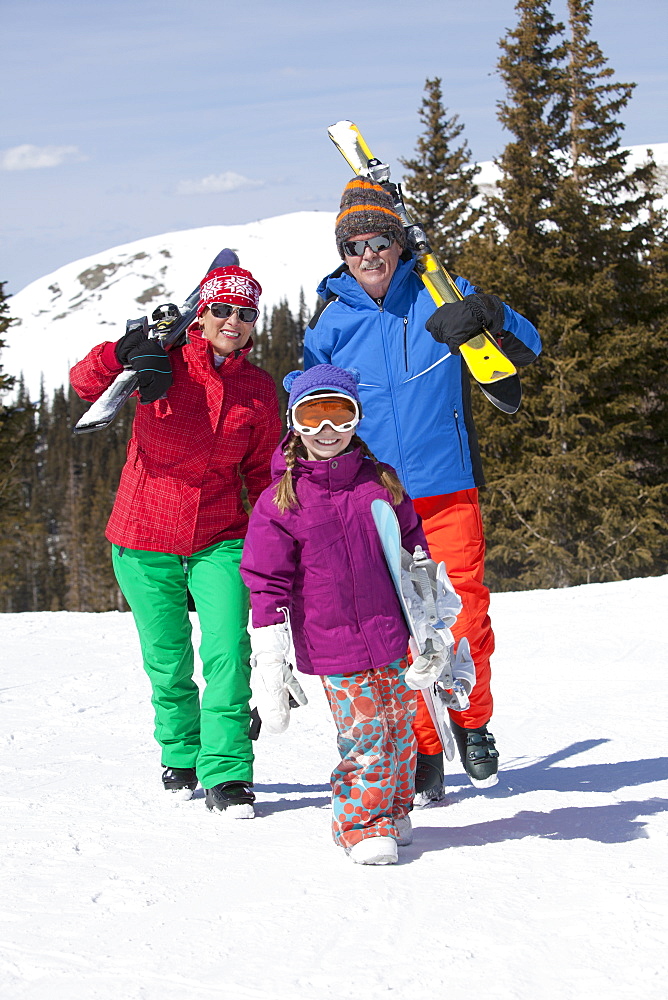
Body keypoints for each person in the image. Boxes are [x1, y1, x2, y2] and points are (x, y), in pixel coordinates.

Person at [303, 177, 542, 799]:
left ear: (398, 242)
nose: (368, 255)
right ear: (343, 255)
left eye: (379, 240)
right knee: (400, 627)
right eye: (354, 246)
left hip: (445, 485)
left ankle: (472, 721)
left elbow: (529, 346)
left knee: (464, 614)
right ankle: (424, 745)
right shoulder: (330, 323)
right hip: (375, 498)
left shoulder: (442, 293)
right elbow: (314, 412)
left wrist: (486, 313)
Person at [70, 263, 281, 817]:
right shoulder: (160, 361)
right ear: (202, 314)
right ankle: (181, 751)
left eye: (245, 313)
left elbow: (262, 474)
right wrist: (123, 350)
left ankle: (228, 771)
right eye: (222, 310)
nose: (232, 321)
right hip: (144, 535)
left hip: (220, 536)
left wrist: (274, 539)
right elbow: (83, 383)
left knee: (228, 656)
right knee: (167, 661)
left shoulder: (257, 390)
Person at [239, 365, 448, 864]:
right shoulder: (280, 500)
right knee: (365, 737)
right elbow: (265, 580)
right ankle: (358, 823)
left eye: (339, 414)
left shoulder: (380, 483)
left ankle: (393, 812)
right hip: (334, 644)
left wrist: (430, 624)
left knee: (399, 731)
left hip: (392, 635)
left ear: (356, 420)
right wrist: (271, 656)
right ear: (295, 424)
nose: (327, 431)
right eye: (313, 418)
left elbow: (412, 547)